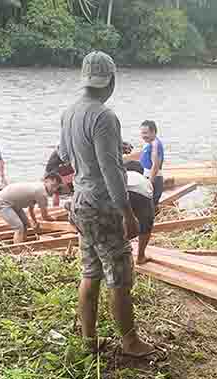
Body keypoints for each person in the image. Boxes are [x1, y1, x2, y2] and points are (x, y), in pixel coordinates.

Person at [53, 51, 155, 358]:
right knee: (120, 274)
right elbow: (112, 171)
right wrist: (127, 213)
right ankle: (130, 342)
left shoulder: (69, 112)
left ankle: (89, 339)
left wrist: (88, 167)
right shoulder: (104, 116)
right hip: (102, 205)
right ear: (110, 80)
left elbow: (64, 155)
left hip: (80, 202)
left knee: (91, 271)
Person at [0, 173, 59, 244]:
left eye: (56, 187)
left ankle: (22, 243)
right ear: (46, 181)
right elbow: (45, 216)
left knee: (25, 225)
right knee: (19, 227)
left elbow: (31, 209)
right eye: (53, 186)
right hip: (2, 203)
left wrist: (35, 222)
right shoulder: (42, 193)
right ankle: (18, 250)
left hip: (13, 203)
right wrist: (57, 220)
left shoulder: (38, 187)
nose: (54, 189)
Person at [124, 160, 155, 265]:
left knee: (118, 224)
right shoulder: (144, 179)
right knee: (146, 225)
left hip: (121, 192)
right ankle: (140, 256)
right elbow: (150, 195)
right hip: (142, 194)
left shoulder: (121, 175)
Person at [139, 120, 165, 205]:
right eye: (142, 133)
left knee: (150, 207)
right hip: (146, 177)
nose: (143, 136)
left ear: (153, 132)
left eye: (145, 133)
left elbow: (155, 166)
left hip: (154, 180)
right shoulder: (148, 143)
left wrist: (149, 182)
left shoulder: (155, 145)